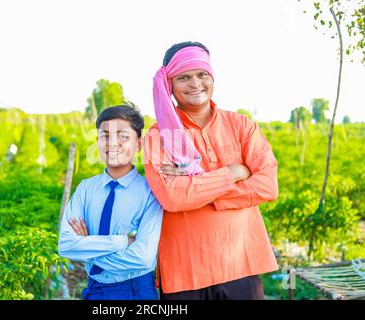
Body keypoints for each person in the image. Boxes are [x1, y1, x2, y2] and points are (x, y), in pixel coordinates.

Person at [143, 41, 279, 300]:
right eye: (184, 77)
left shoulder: (241, 126)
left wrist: (199, 190)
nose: (195, 83)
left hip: (241, 263)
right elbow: (173, 198)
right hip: (185, 273)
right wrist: (232, 173)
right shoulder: (159, 136)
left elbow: (268, 186)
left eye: (202, 74)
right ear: (169, 84)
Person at [58, 104, 163, 300]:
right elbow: (65, 245)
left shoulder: (151, 191)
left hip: (135, 291)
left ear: (138, 144)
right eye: (105, 136)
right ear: (97, 141)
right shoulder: (85, 189)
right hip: (94, 290)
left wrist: (87, 247)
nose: (112, 143)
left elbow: (143, 257)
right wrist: (122, 242)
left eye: (123, 136)